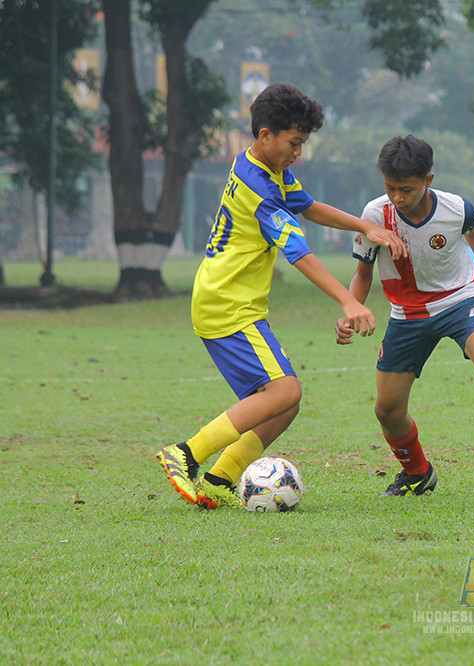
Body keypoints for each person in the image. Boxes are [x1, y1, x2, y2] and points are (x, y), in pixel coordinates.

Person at [156, 83, 407, 509]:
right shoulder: (260, 188)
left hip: (229, 300)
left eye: (303, 143)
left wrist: (364, 226)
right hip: (228, 304)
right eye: (295, 143)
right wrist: (346, 300)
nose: (299, 153)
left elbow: (307, 206)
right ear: (266, 134)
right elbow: (298, 251)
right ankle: (186, 453)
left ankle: (221, 477)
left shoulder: (263, 166)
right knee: (284, 392)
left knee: (282, 404)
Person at [336, 135, 474, 504]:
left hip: (460, 299)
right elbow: (363, 274)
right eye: (390, 188)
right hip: (406, 314)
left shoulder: (456, 208)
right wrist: (348, 307)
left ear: (429, 180)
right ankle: (418, 473)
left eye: (406, 189)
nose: (397, 197)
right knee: (387, 410)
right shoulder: (375, 214)